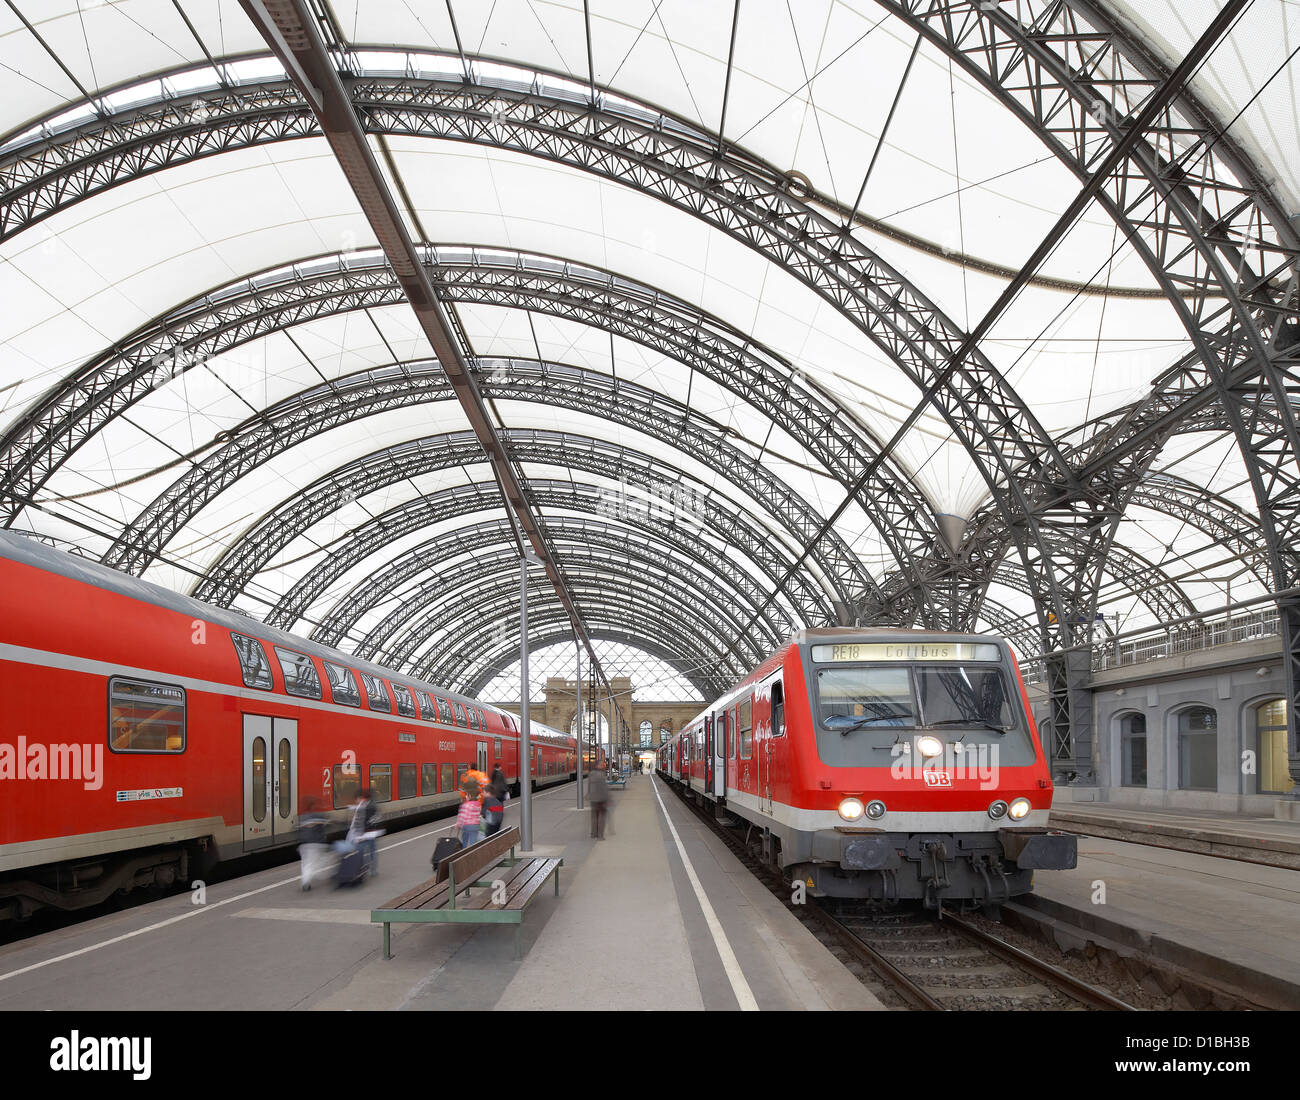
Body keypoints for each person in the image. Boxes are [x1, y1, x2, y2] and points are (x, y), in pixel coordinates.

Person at [349, 788, 382, 876]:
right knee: (370, 851)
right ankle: (371, 870)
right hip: (370, 831)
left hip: (367, 832)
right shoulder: (372, 805)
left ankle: (369, 870)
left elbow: (363, 819)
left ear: (364, 798)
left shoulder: (368, 807)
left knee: (365, 851)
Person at [298, 797, 329, 891]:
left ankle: (305, 882)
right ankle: (310, 879)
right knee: (318, 862)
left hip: (304, 844)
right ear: (313, 806)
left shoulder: (302, 816)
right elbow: (325, 824)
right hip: (316, 843)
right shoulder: (318, 815)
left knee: (306, 864)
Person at [587, 764, 609, 840]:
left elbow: (589, 787)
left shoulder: (591, 774)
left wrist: (589, 795)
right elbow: (604, 788)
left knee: (594, 817)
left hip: (593, 799)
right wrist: (606, 799)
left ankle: (593, 834)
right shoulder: (601, 775)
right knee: (601, 818)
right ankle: (600, 836)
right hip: (601, 799)